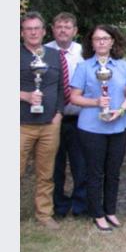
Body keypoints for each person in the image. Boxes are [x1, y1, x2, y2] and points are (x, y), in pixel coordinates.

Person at [70, 25, 126, 232]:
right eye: (97, 39)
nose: (101, 42)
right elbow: (74, 97)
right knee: (95, 172)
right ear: (91, 42)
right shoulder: (84, 67)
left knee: (114, 171)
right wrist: (97, 102)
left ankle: (110, 211)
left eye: (105, 38)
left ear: (112, 41)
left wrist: (120, 110)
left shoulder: (122, 66)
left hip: (118, 125)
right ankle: (97, 213)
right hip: (92, 127)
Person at [20, 12, 64, 230]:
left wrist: (58, 114)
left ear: (44, 31)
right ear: (22, 33)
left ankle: (44, 215)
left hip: (49, 124)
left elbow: (61, 88)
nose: (33, 32)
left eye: (37, 28)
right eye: (29, 29)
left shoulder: (55, 55)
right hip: (21, 124)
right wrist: (25, 96)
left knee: (46, 174)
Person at [45, 12, 87, 219]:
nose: (63, 30)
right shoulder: (43, 52)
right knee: (55, 165)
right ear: (52, 29)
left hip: (79, 117)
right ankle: (58, 206)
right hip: (52, 119)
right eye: (59, 26)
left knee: (81, 165)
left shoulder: (84, 52)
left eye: (67, 27)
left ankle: (80, 207)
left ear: (75, 31)